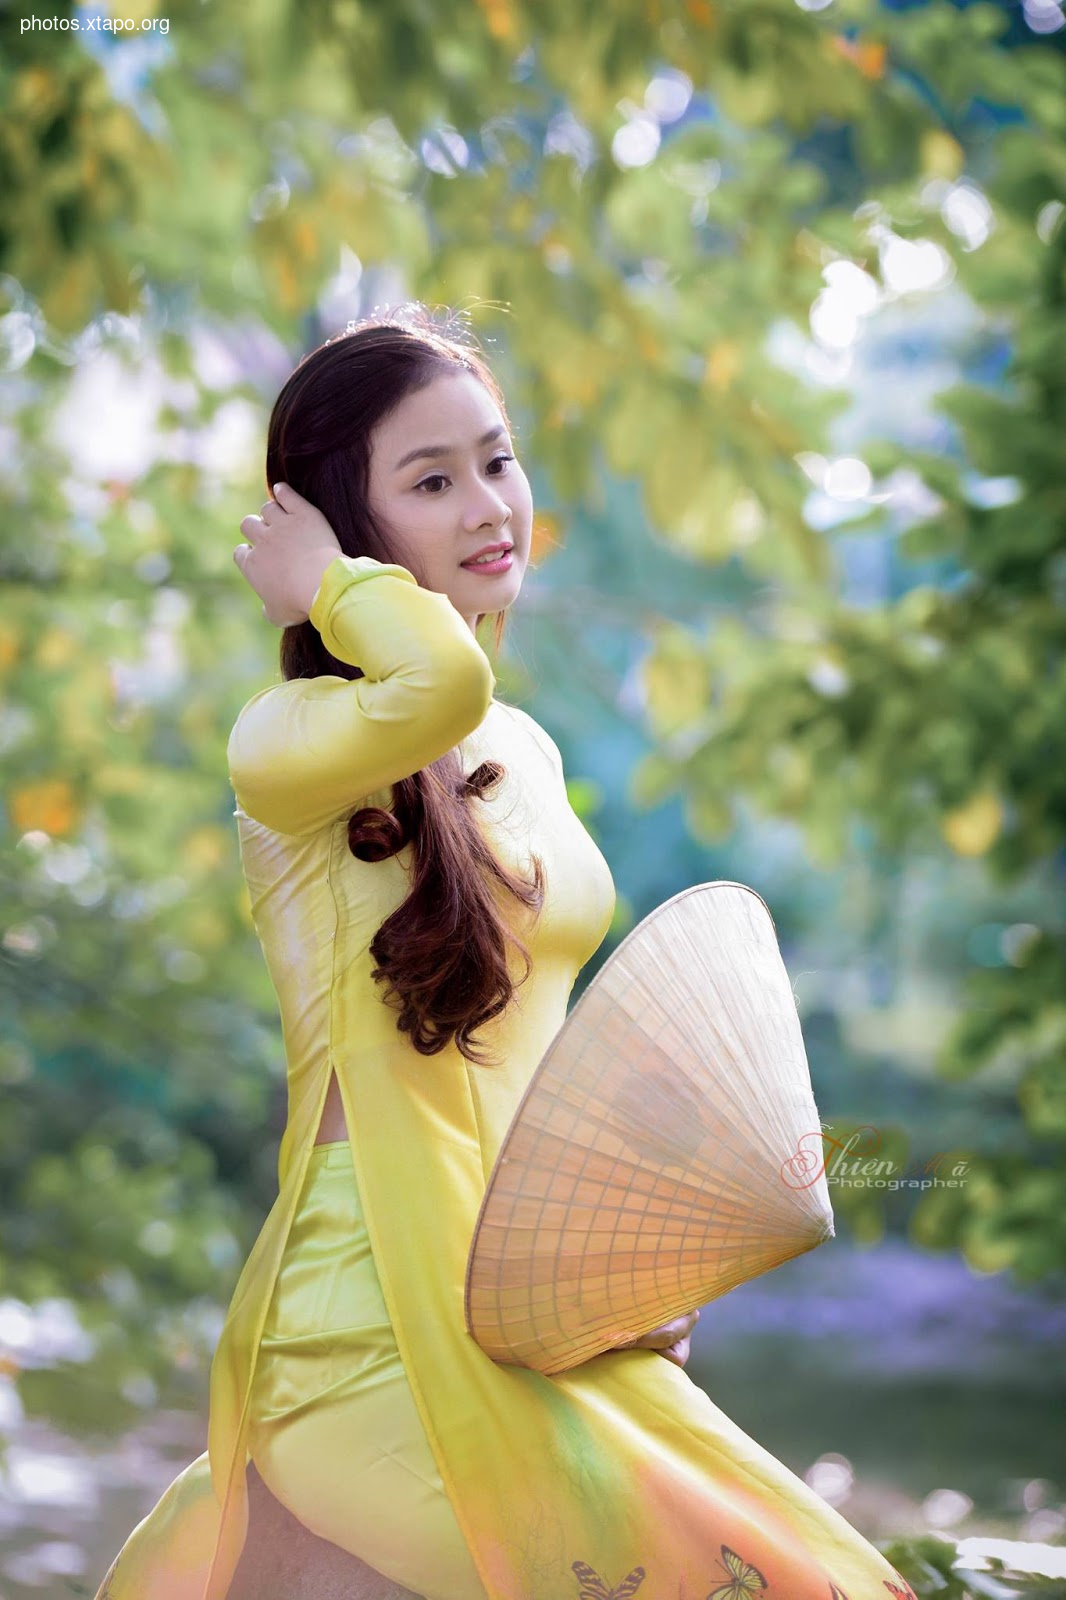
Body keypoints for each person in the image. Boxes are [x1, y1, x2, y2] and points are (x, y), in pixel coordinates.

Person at [94, 305, 917, 1600]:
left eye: (498, 458)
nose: (490, 505)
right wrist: (331, 592)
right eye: (431, 480)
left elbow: (528, 1072)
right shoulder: (287, 744)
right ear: (341, 532)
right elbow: (435, 686)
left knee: (806, 1575)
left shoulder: (517, 753)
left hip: (518, 1316)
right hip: (361, 1331)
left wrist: (607, 1276)